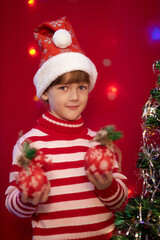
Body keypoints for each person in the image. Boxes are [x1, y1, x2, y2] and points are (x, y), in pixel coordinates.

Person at [5, 16, 128, 240]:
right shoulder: (29, 144)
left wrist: (107, 185)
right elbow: (12, 205)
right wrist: (27, 197)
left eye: (82, 87)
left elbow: (120, 202)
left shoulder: (99, 142)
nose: (74, 97)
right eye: (63, 87)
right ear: (44, 91)